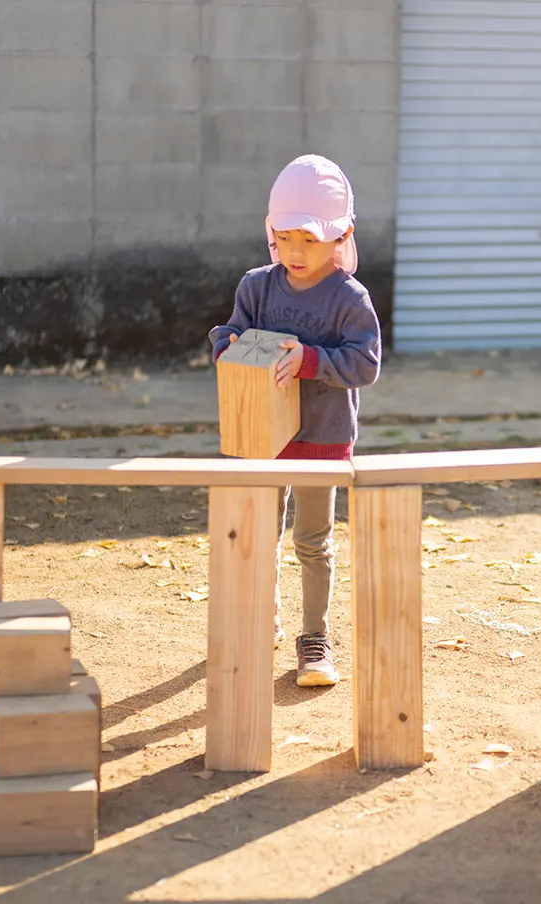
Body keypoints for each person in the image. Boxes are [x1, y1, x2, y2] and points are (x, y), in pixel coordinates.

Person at [209, 154, 381, 686]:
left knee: (312, 540)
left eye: (309, 239)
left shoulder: (350, 299)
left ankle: (315, 639)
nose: (295, 252)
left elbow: (365, 364)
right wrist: (229, 346)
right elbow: (227, 332)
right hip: (260, 436)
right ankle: (264, 616)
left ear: (341, 236)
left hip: (322, 439)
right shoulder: (256, 288)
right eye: (285, 239)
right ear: (271, 233)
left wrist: (310, 360)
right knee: (259, 534)